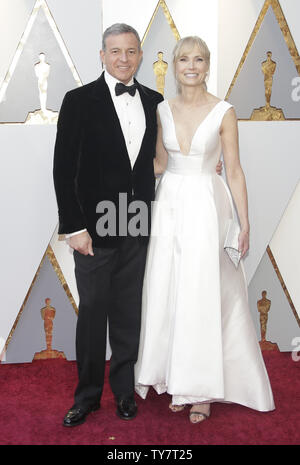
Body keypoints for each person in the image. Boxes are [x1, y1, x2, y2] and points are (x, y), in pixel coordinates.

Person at [53, 25, 222, 427]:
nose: (123, 59)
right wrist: (74, 226)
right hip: (93, 228)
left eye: (131, 51)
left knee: (130, 313)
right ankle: (88, 397)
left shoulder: (155, 101)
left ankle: (125, 393)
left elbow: (166, 157)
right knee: (93, 312)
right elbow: (63, 169)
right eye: (115, 51)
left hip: (139, 220)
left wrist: (210, 164)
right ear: (102, 55)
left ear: (141, 55)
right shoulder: (78, 100)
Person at [135, 36, 275, 423]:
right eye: (183, 59)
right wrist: (111, 169)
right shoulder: (162, 109)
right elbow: (160, 164)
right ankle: (176, 378)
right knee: (168, 289)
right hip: (169, 206)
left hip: (207, 207)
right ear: (174, 66)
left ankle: (201, 390)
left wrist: (245, 224)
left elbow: (233, 169)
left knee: (200, 292)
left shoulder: (224, 111)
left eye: (199, 59)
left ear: (208, 66)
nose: (191, 66)